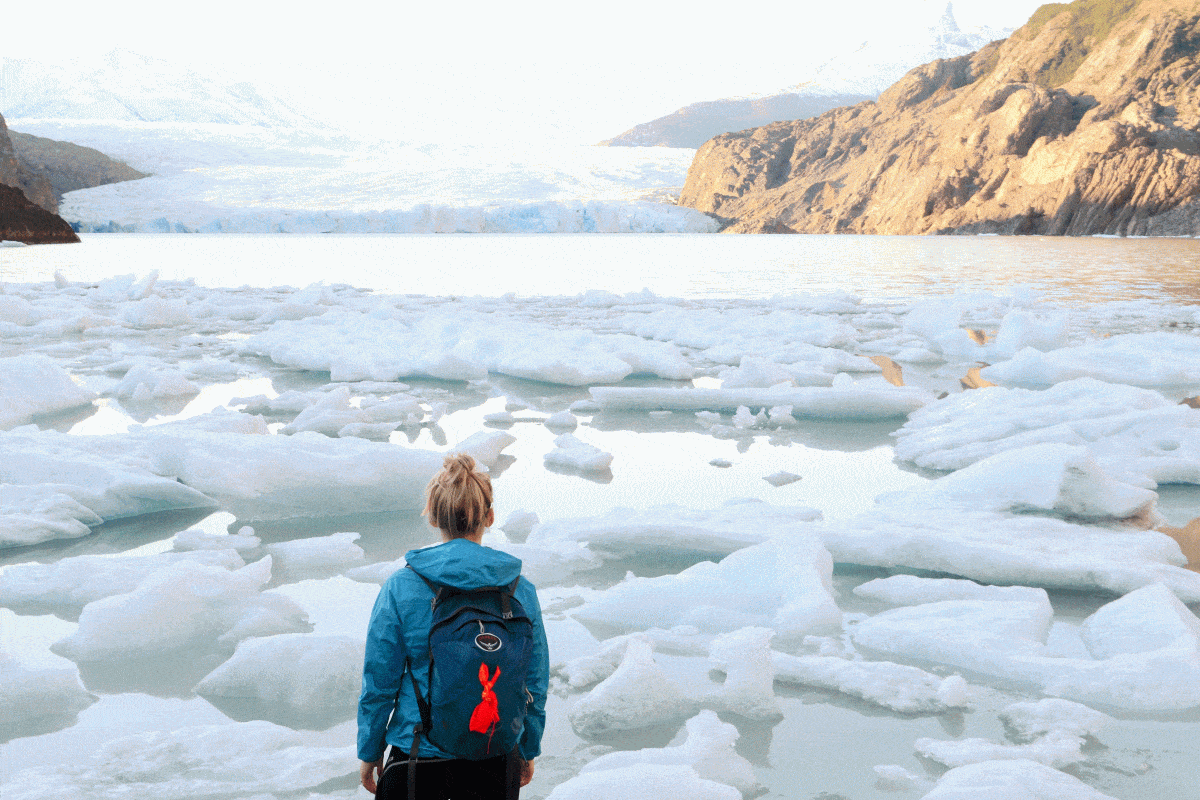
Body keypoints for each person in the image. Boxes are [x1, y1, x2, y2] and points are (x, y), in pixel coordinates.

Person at [358, 453, 549, 800]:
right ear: (490, 516)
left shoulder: (401, 587)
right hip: (495, 757)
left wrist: (369, 751)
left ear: (432, 515)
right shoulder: (520, 590)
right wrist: (528, 747)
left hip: (416, 758)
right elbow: (533, 683)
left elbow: (379, 682)